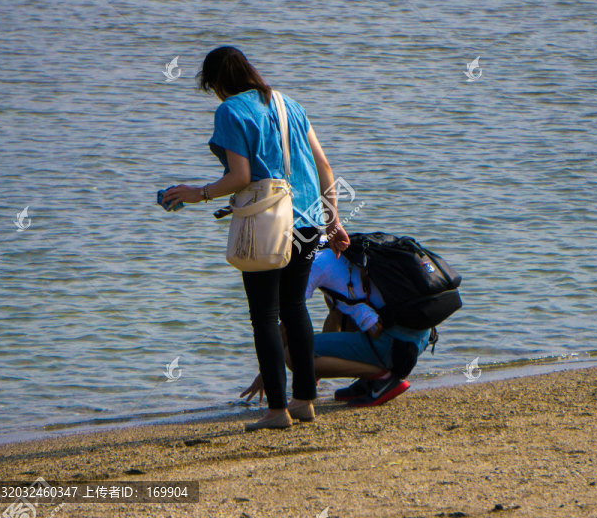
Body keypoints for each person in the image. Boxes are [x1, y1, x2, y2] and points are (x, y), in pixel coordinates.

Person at [162, 46, 349, 431]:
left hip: (268, 224)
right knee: (295, 307)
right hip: (309, 220)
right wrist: (334, 222)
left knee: (264, 314)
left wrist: (198, 193)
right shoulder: (289, 104)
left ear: (216, 83)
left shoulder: (230, 110)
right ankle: (304, 401)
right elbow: (324, 165)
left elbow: (241, 178)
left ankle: (277, 411)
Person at [240, 242, 433, 407]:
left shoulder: (312, 265)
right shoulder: (336, 250)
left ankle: (382, 377)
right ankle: (369, 380)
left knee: (294, 355)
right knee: (346, 316)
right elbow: (336, 318)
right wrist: (314, 374)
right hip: (417, 339)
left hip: (394, 344)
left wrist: (267, 373)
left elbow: (287, 323)